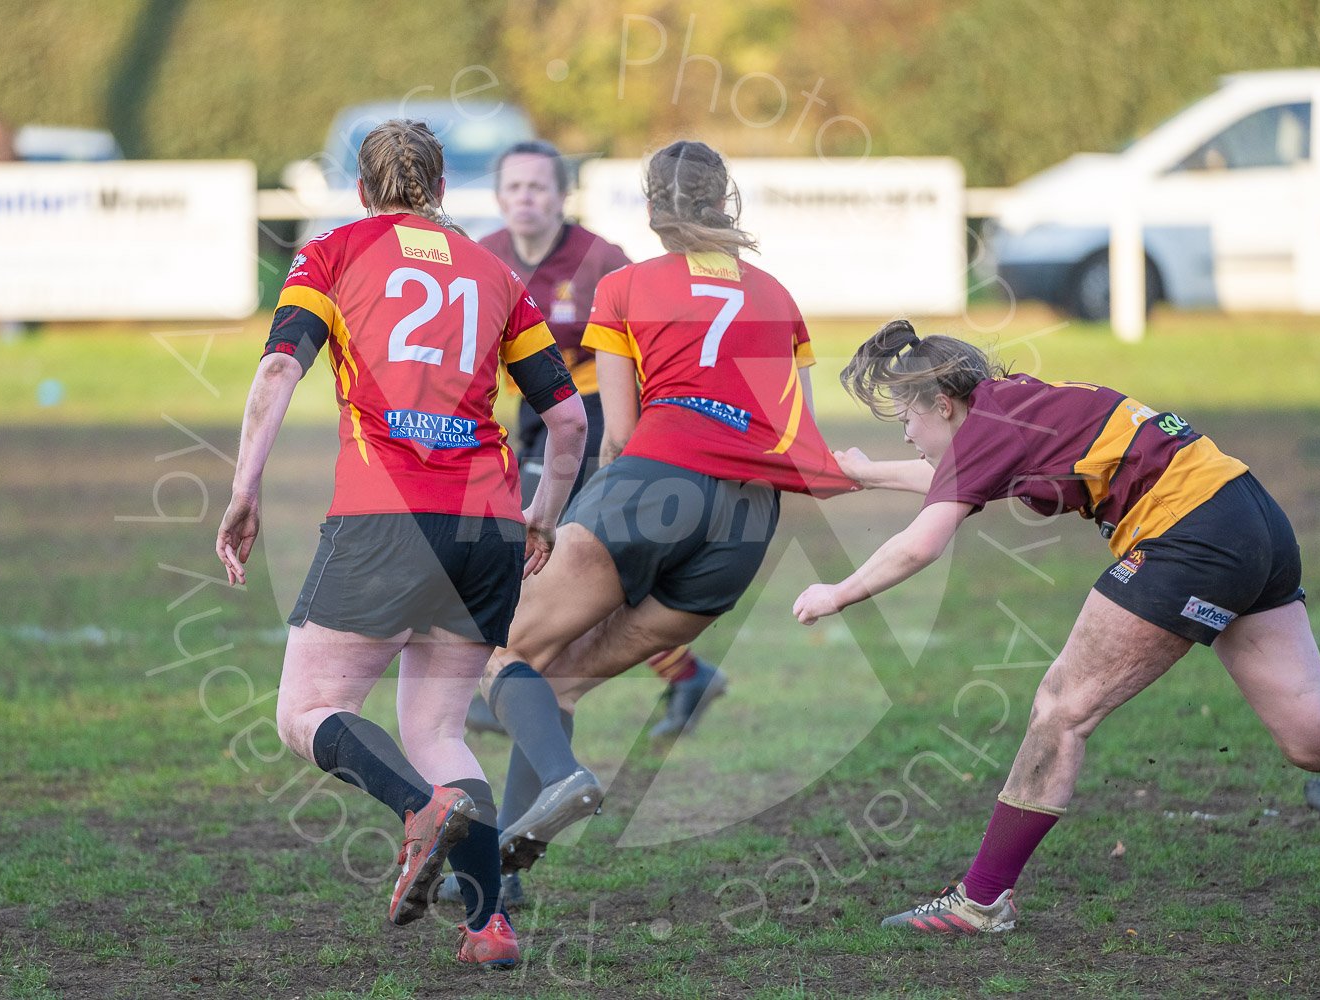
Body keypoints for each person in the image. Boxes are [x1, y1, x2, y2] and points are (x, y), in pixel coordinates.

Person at [792, 319, 1320, 934]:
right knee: (1317, 739)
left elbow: (920, 545)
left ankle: (981, 901)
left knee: (1062, 708)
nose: (906, 433)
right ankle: (983, 900)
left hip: (1191, 533)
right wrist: (866, 473)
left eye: (906, 417)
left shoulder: (988, 425)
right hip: (1248, 515)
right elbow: (959, 476)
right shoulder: (1011, 406)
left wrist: (838, 591)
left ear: (943, 405)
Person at [215, 119, 587, 969]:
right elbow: (566, 418)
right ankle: (490, 926)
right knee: (440, 731)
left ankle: (418, 810)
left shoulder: (337, 251)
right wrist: (543, 513)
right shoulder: (496, 273)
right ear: (444, 189)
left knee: (305, 711)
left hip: (388, 516)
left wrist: (245, 488)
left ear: (361, 189)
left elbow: (279, 369)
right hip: (487, 524)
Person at [475, 140, 858, 880]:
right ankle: (504, 879)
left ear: (651, 210)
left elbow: (616, 434)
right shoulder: (780, 297)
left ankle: (561, 780)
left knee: (502, 646)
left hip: (653, 485)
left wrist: (583, 520)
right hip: (747, 525)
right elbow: (793, 429)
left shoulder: (623, 286)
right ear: (725, 204)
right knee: (559, 683)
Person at [464, 140, 730, 748]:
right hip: (532, 415)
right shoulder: (486, 257)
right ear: (500, 196)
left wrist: (629, 430)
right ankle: (684, 674)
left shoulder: (600, 258)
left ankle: (520, 679)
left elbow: (648, 340)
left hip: (590, 412)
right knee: (554, 560)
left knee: (533, 549)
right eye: (513, 187)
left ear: (562, 196)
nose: (525, 198)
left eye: (538, 187)